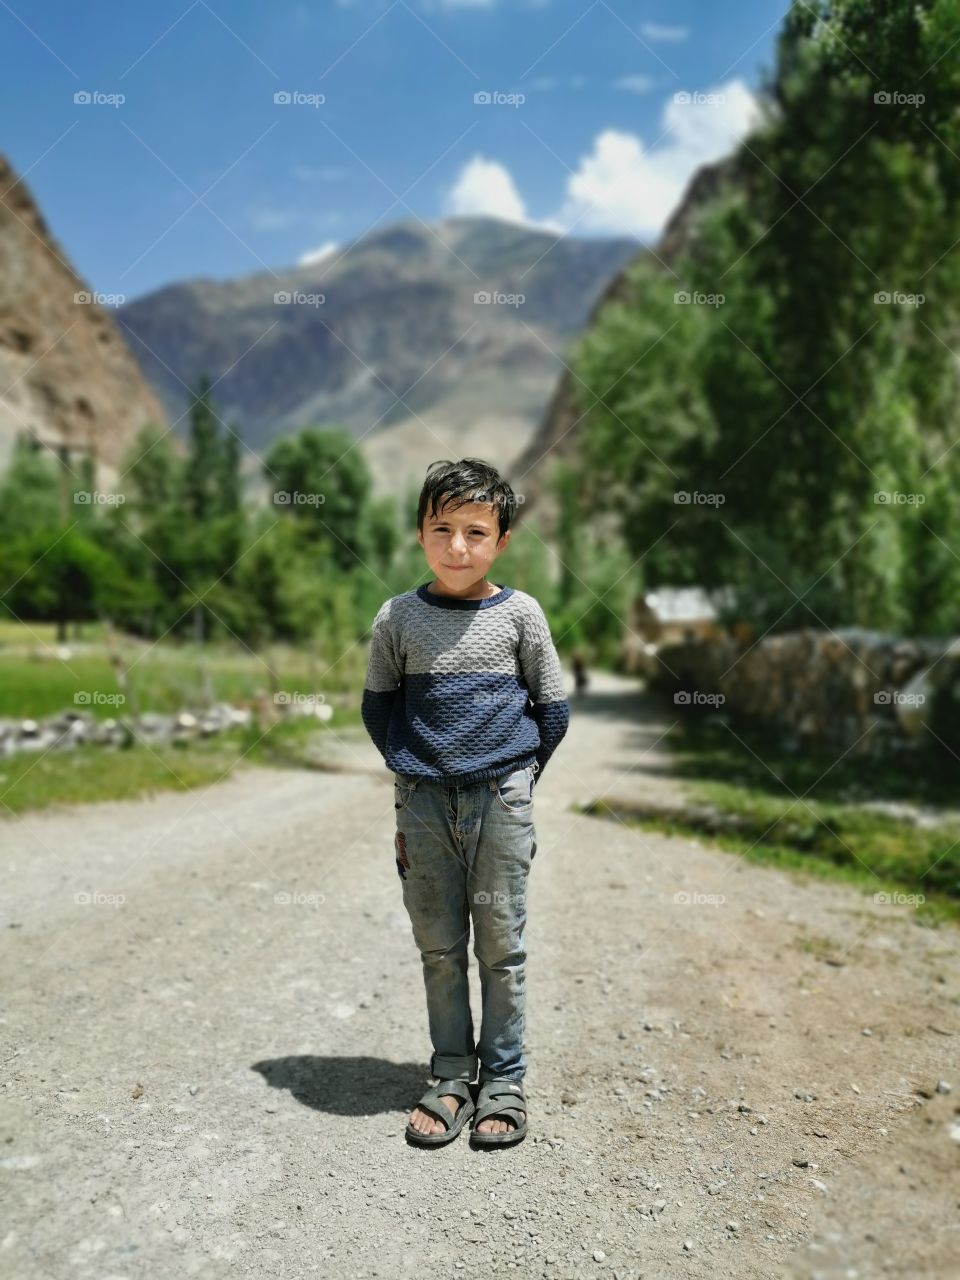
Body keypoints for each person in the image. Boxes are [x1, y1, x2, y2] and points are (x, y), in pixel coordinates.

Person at [360, 458, 570, 1148]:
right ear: (419, 534)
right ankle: (451, 1074)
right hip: (421, 806)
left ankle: (503, 1081)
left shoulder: (521, 616)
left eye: (475, 532)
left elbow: (552, 710)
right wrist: (413, 768)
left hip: (501, 803)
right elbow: (379, 708)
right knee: (440, 947)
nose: (458, 547)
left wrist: (515, 780)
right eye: (441, 528)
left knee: (502, 948)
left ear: (503, 539)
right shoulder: (397, 617)